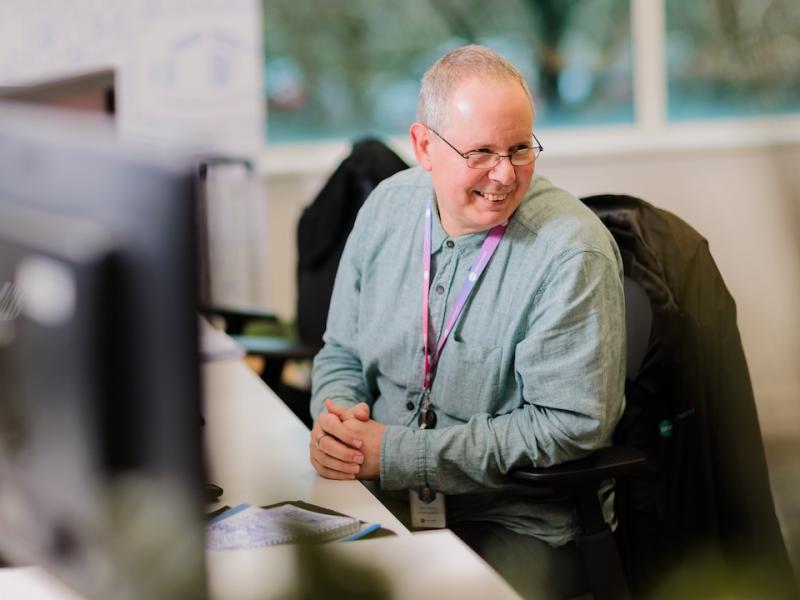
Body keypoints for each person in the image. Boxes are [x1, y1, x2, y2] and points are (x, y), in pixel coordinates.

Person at [308, 45, 625, 598]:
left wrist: (399, 454)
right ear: (424, 146)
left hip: (511, 522)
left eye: (520, 149)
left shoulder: (571, 254)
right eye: (480, 152)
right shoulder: (385, 209)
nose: (504, 175)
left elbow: (572, 424)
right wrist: (338, 424)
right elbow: (341, 351)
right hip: (380, 497)